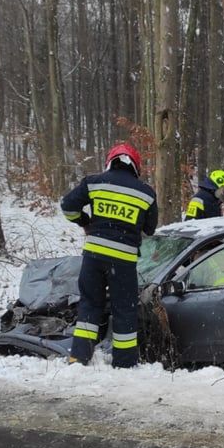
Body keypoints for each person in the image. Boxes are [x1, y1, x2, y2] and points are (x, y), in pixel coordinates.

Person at [60, 143, 157, 368]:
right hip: (123, 261)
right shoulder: (146, 193)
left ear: (110, 161)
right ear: (136, 166)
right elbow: (150, 229)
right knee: (124, 309)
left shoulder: (94, 182)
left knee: (90, 304)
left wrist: (85, 221)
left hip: (94, 257)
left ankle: (79, 357)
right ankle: (124, 363)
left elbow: (67, 207)